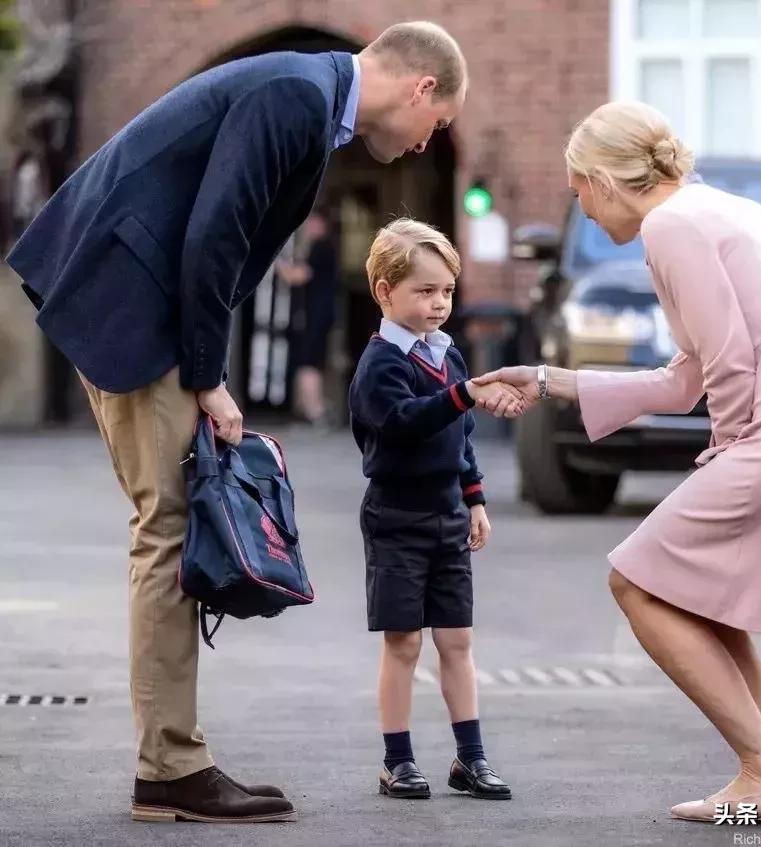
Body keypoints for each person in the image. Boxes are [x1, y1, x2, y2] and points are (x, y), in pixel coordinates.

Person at [5, 22, 467, 824]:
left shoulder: (309, 97)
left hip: (133, 299)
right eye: (441, 123)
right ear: (421, 87)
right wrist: (208, 374)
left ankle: (171, 762)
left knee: (166, 523)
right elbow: (213, 238)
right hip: (134, 305)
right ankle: (171, 768)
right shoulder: (296, 95)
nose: (431, 143)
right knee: (169, 527)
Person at [474, 101, 761, 824]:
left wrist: (725, 451)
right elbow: (681, 378)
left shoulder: (672, 227)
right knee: (704, 593)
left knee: (635, 580)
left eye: (580, 193)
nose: (587, 212)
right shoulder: (722, 212)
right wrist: (543, 379)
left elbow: (727, 363)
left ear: (605, 180)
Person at [348, 219, 519, 802]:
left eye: (447, 290)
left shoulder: (448, 356)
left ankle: (469, 758)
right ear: (384, 292)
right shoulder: (380, 366)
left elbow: (460, 438)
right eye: (424, 291)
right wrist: (463, 395)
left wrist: (474, 500)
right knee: (403, 642)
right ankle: (397, 760)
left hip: (448, 516)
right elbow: (404, 422)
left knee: (457, 641)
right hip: (396, 518)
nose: (439, 303)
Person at [276, 210, 339, 425]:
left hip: (316, 316)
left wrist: (274, 260)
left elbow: (296, 276)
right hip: (318, 315)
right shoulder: (324, 247)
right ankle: (307, 408)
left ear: (322, 225)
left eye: (313, 223)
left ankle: (315, 410)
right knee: (310, 360)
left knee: (308, 361)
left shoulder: (321, 247)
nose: (309, 228)